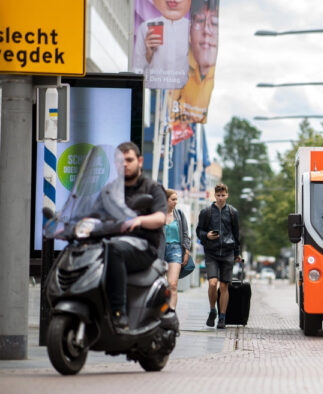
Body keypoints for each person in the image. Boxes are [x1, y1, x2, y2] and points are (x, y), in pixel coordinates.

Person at [106, 142, 167, 331]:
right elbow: (95, 213)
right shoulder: (110, 189)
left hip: (143, 246)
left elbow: (160, 217)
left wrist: (140, 221)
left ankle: (119, 313)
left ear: (140, 161)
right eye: (119, 161)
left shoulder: (152, 188)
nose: (124, 164)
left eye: (129, 160)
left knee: (114, 250)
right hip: (114, 241)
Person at [196, 183, 241, 329]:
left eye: (223, 195)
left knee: (224, 286)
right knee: (212, 283)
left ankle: (222, 317)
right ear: (215, 195)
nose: (221, 198)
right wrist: (207, 235)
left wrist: (237, 253)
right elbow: (199, 231)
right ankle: (212, 310)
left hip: (227, 252)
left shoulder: (233, 212)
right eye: (218, 195)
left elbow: (236, 234)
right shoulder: (206, 212)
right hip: (212, 252)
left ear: (227, 195)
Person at [169, 0, 219, 124]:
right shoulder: (175, 77)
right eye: (200, 21)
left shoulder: (209, 81)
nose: (207, 31)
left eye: (214, 23)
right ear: (189, 31)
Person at [132, 0, 191, 89]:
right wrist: (148, 55)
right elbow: (136, 72)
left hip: (183, 98)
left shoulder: (193, 30)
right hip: (153, 95)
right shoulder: (145, 28)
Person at [163, 189, 192, 311]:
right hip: (160, 249)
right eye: (173, 199)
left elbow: (186, 234)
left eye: (176, 199)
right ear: (166, 200)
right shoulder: (158, 214)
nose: (176, 202)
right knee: (159, 285)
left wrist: (186, 252)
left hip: (175, 250)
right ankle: (161, 310)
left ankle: (171, 312)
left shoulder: (179, 215)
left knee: (173, 284)